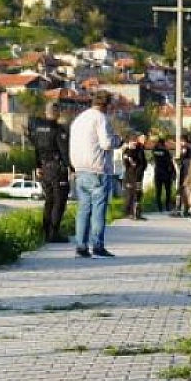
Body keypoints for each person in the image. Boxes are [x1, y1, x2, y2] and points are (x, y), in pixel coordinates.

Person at [69, 90, 119, 257]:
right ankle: (97, 246)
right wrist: (118, 140)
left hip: (80, 170)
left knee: (83, 209)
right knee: (98, 210)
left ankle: (81, 246)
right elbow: (106, 143)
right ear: (106, 105)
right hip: (97, 170)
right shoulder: (100, 118)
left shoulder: (79, 119)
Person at [27, 103, 71, 242]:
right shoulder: (58, 129)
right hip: (57, 168)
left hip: (44, 168)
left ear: (46, 113)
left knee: (49, 200)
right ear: (57, 113)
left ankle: (45, 231)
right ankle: (53, 233)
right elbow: (64, 151)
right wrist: (71, 167)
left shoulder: (37, 129)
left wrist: (37, 166)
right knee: (59, 200)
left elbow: (35, 149)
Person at [121, 133, 148, 221]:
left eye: (145, 139)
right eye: (142, 139)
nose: (144, 141)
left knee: (138, 193)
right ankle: (129, 213)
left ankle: (137, 213)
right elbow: (127, 161)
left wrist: (143, 167)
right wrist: (131, 161)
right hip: (130, 176)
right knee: (130, 194)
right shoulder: (130, 149)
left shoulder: (140, 148)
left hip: (138, 176)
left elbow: (142, 161)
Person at [151, 137, 176, 215]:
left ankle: (160, 207)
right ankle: (167, 206)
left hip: (159, 174)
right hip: (166, 174)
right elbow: (170, 163)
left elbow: (154, 151)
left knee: (159, 192)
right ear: (163, 144)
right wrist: (173, 173)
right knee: (167, 191)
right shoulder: (166, 152)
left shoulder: (155, 151)